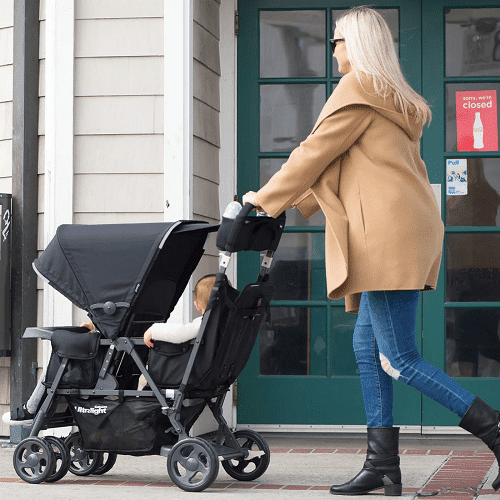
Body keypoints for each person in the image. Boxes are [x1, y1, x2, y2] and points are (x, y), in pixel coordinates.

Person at [243, 6, 500, 497]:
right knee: (368, 348)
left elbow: (313, 152)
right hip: (402, 230)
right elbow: (340, 164)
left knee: (400, 358)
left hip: (387, 235)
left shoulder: (359, 87)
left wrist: (261, 199)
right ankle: (382, 464)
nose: (334, 48)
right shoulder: (387, 95)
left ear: (356, 46)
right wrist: (292, 199)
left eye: (338, 40)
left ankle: (495, 431)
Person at [2, 274, 217, 425]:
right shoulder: (219, 325)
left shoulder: (203, 323)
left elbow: (181, 332)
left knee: (59, 357)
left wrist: (155, 330)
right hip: (203, 375)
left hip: (174, 374)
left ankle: (31, 409)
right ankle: (31, 408)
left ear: (198, 305)